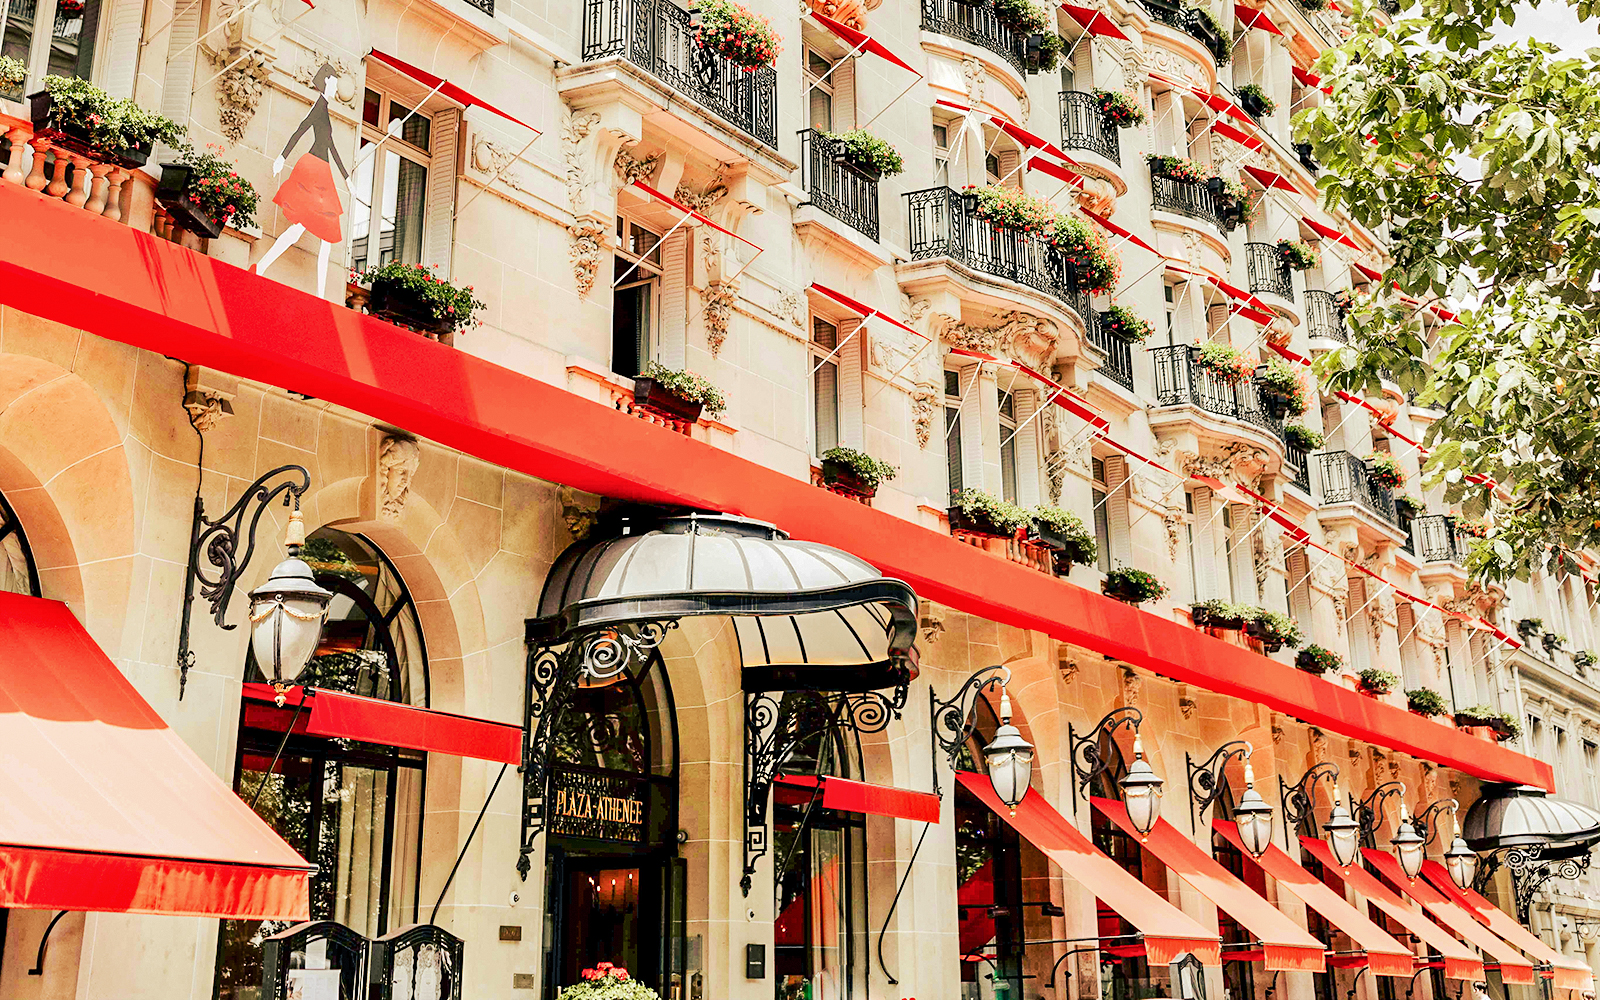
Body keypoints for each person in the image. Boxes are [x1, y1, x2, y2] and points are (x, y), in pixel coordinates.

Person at [253, 63, 348, 298]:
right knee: (312, 231)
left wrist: (347, 179)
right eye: (335, 81)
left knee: (310, 232)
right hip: (314, 170)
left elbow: (331, 146)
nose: (337, 87)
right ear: (327, 81)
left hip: (321, 171)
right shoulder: (319, 107)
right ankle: (318, 295)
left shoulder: (324, 109)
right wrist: (281, 157)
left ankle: (317, 293)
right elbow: (300, 130)